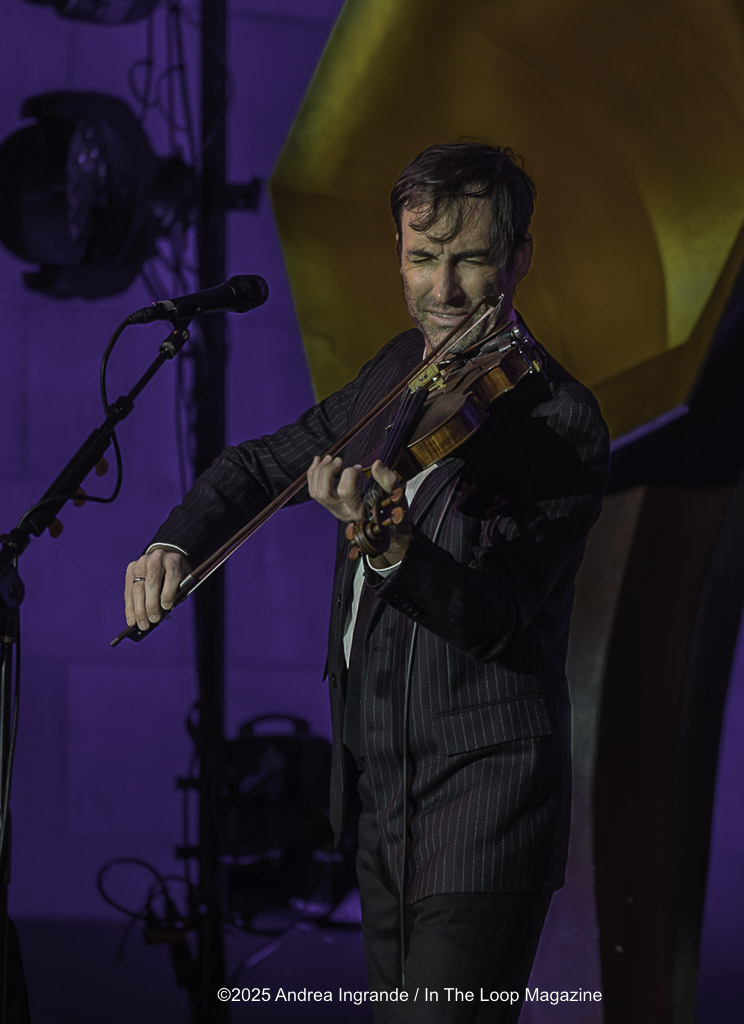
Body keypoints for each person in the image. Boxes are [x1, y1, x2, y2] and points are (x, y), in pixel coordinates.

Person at [123, 142, 609, 1023]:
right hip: (383, 800)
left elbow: (498, 619)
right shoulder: (398, 370)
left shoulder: (556, 418)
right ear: (398, 250)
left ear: (520, 258)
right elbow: (258, 465)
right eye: (423, 258)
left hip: (484, 804)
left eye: (471, 260)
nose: (443, 289)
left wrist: (392, 550)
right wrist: (174, 543)